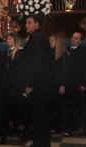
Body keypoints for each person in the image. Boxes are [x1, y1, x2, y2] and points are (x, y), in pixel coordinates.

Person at [21, 16, 53, 147]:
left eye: (29, 23)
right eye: (26, 23)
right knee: (38, 116)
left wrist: (30, 84)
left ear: (37, 24)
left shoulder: (38, 38)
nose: (26, 25)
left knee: (39, 116)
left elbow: (37, 64)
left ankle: (41, 143)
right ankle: (40, 141)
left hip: (38, 85)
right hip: (40, 84)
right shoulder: (37, 37)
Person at [67, 32, 86, 135]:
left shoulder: (84, 51)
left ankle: (85, 127)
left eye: (76, 38)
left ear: (81, 41)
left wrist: (84, 83)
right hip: (70, 84)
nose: (73, 39)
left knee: (82, 107)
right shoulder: (68, 50)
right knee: (72, 106)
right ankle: (74, 126)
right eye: (72, 37)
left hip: (80, 84)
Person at [49, 35, 69, 136]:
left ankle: (66, 128)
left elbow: (65, 70)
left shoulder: (63, 53)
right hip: (52, 84)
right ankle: (55, 126)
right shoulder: (51, 52)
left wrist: (62, 84)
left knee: (62, 107)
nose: (50, 42)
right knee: (54, 107)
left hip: (59, 83)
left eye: (52, 40)